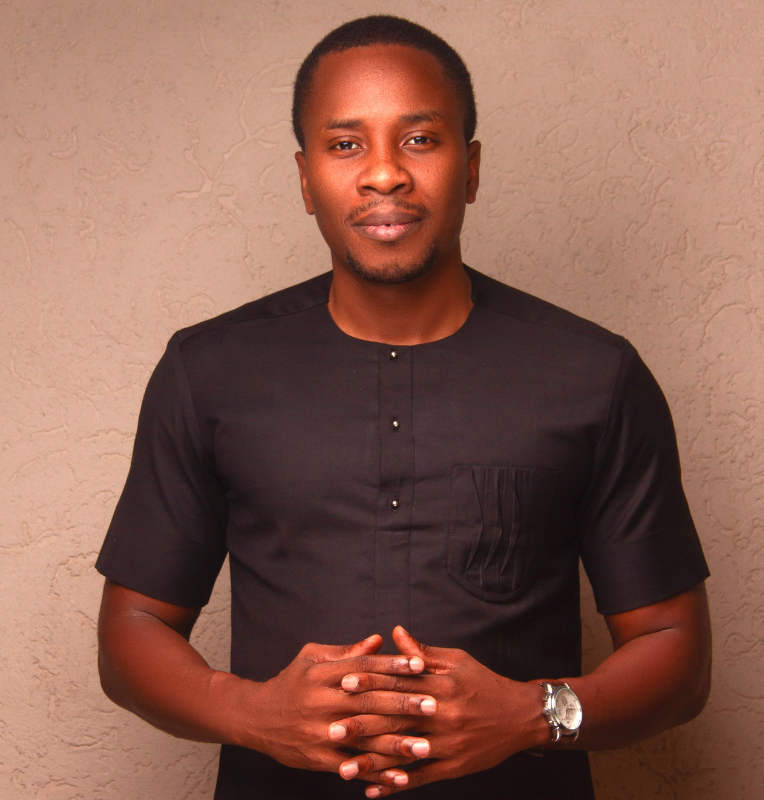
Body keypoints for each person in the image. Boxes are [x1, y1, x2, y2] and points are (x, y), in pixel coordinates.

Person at [95, 15, 711, 800]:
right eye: (345, 144)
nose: (384, 174)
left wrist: (531, 715)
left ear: (471, 168)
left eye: (420, 139)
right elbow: (131, 632)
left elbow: (678, 652)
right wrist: (251, 713)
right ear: (305, 178)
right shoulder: (207, 370)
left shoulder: (595, 374)